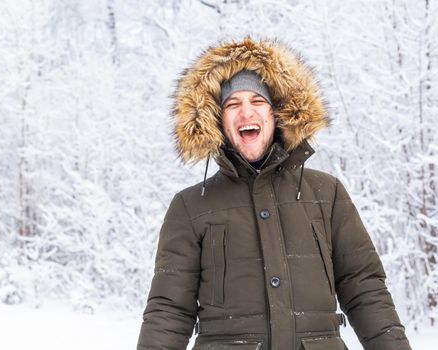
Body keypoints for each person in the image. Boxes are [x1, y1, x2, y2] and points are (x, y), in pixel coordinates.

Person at [137, 38, 412, 350]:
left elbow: (365, 290)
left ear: (277, 112)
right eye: (232, 104)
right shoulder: (190, 206)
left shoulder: (327, 194)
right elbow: (169, 311)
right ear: (217, 119)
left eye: (257, 101)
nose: (245, 113)